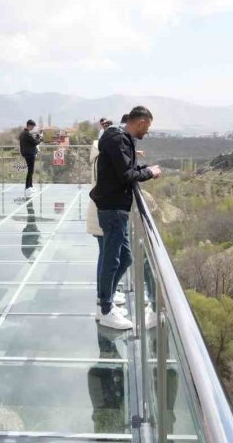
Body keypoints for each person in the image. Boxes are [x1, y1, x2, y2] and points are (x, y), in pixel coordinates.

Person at [91, 106, 161, 330]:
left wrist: (143, 168)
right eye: (147, 127)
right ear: (140, 123)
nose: (146, 132)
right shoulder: (118, 140)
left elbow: (125, 168)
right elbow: (126, 175)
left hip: (116, 207)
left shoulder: (119, 139)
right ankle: (104, 310)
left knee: (126, 258)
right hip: (112, 208)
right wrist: (150, 172)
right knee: (112, 260)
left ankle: (107, 301)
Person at [87, 135, 126, 312]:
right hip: (105, 211)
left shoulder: (99, 154)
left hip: (101, 211)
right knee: (108, 258)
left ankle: (106, 295)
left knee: (109, 257)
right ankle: (105, 302)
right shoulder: (104, 157)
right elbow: (124, 176)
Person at [19, 119, 40, 196]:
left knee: (31, 170)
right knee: (30, 170)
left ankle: (30, 186)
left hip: (27, 154)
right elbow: (35, 142)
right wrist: (40, 138)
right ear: (29, 125)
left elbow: (29, 143)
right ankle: (27, 187)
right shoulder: (27, 134)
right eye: (32, 126)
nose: (33, 128)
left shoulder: (22, 133)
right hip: (30, 154)